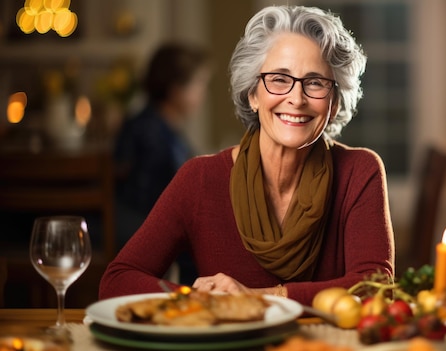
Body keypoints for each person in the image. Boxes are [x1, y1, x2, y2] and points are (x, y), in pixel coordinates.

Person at [100, 5, 394, 306]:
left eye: (315, 82)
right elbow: (118, 280)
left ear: (333, 103)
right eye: (279, 79)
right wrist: (197, 299)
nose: (296, 98)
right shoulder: (200, 179)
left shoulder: (360, 171)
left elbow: (375, 286)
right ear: (253, 94)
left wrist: (260, 297)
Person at [114, 42, 210, 247]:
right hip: (140, 228)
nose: (203, 94)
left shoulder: (160, 125)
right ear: (176, 91)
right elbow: (160, 197)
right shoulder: (151, 132)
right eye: (198, 84)